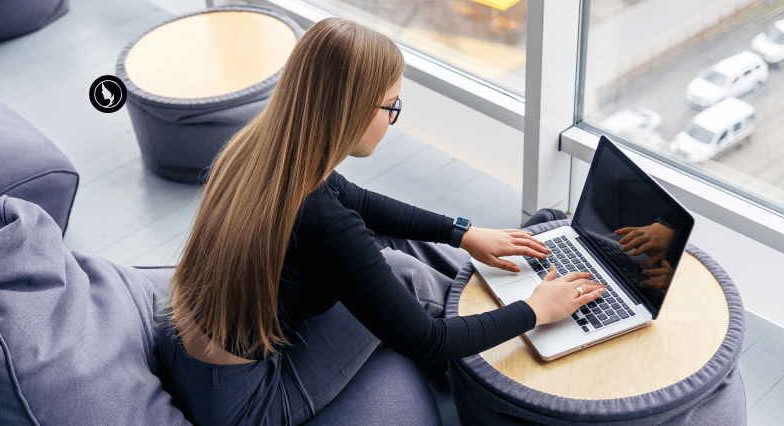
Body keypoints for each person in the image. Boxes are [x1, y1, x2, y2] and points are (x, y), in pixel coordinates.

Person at [157, 17, 605, 426]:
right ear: (350, 109)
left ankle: (485, 299)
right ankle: (498, 351)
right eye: (390, 106)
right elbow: (427, 341)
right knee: (406, 279)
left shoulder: (263, 148)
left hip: (185, 344)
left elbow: (361, 201)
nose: (393, 118)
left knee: (400, 267)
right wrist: (534, 311)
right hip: (244, 403)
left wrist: (463, 232)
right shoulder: (324, 222)